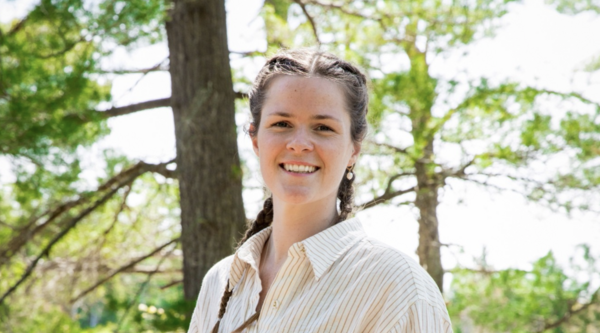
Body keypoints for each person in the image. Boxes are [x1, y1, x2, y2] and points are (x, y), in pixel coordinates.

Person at [187, 49, 453, 333]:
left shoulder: (399, 288)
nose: (299, 144)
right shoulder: (219, 282)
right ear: (255, 139)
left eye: (323, 127)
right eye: (281, 124)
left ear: (354, 149)